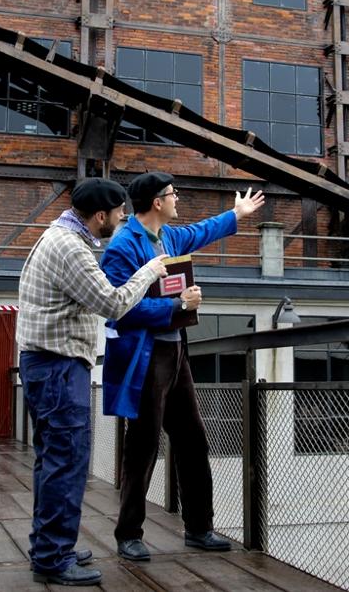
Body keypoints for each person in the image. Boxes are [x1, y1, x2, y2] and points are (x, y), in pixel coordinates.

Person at [100, 172, 264, 561]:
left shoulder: (168, 237)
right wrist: (177, 306)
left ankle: (199, 528)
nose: (179, 200)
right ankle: (129, 534)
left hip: (175, 353)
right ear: (157, 202)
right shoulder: (123, 246)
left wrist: (236, 214)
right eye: (174, 195)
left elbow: (200, 232)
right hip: (146, 356)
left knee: (192, 440)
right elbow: (121, 310)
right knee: (143, 447)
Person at [16, 177, 169, 586]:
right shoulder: (70, 249)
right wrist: (152, 269)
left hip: (48, 365)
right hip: (59, 368)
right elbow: (114, 303)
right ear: (100, 215)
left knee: (54, 462)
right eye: (119, 213)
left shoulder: (58, 235)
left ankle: (52, 545)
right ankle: (51, 557)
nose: (123, 220)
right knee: (66, 463)